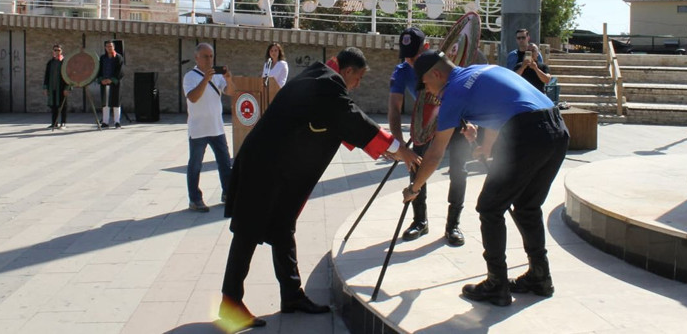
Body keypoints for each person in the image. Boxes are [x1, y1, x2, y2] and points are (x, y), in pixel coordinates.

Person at [219, 47, 420, 332]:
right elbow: (350, 119)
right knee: (248, 232)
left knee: (282, 227)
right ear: (347, 71)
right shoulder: (328, 85)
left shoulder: (318, 76)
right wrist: (398, 149)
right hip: (263, 168)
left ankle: (291, 295)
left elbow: (332, 122)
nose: (358, 84)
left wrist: (379, 149)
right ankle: (230, 303)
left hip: (273, 165)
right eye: (359, 77)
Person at [403, 50, 569, 307]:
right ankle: (540, 276)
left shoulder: (453, 92)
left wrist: (414, 187)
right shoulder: (483, 70)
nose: (427, 91)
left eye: (425, 84)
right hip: (557, 130)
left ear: (436, 74)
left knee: (490, 207)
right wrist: (487, 146)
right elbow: (502, 107)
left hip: (528, 134)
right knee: (527, 207)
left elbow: (435, 154)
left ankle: (496, 284)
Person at [389, 27, 468, 246]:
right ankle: (419, 221)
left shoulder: (443, 63)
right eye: (406, 56)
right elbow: (394, 109)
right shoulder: (402, 71)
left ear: (426, 47)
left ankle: (453, 224)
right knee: (416, 167)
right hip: (423, 125)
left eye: (414, 56)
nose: (411, 61)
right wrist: (400, 146)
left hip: (454, 122)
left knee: (459, 172)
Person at [182, 43, 236, 213]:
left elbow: (231, 92)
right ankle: (195, 199)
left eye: (211, 56)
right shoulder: (190, 77)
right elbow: (193, 98)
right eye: (205, 56)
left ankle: (228, 194)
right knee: (195, 165)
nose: (209, 59)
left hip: (216, 128)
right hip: (198, 129)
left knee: (225, 163)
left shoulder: (217, 76)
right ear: (197, 58)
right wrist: (205, 79)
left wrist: (228, 79)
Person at [43, 44, 71, 129]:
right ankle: (54, 122)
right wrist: (45, 87)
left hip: (62, 88)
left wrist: (67, 88)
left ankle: (63, 122)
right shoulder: (50, 63)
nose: (57, 52)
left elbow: (69, 75)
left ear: (61, 51)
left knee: (63, 105)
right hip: (52, 87)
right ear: (53, 51)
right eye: (55, 50)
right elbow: (46, 76)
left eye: (58, 50)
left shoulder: (65, 62)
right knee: (53, 106)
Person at [98, 40, 124, 128]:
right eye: (107, 46)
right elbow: (99, 70)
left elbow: (120, 71)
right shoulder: (102, 58)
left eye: (111, 46)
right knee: (105, 103)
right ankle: (105, 122)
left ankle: (117, 121)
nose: (109, 48)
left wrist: (112, 80)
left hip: (115, 84)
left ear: (114, 47)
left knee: (116, 103)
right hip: (104, 83)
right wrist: (101, 79)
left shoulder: (118, 57)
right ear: (105, 48)